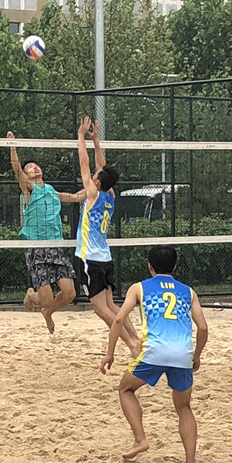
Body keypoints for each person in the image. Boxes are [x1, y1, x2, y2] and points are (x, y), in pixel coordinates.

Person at [100, 245, 208, 463]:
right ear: (175, 266)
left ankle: (140, 439)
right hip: (182, 353)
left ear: (150, 266)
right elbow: (203, 328)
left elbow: (118, 319)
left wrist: (110, 353)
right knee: (184, 408)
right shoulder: (188, 292)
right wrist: (196, 355)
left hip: (154, 352)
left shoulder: (139, 288)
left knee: (125, 389)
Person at [7, 130, 85, 333]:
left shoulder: (51, 191)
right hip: (37, 247)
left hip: (56, 246)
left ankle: (47, 313)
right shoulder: (29, 189)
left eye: (35, 165)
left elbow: (76, 197)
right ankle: (31, 295)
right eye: (30, 167)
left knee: (70, 293)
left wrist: (97, 185)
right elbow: (17, 170)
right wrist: (13, 147)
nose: (34, 167)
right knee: (46, 299)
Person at [76, 116, 141, 356]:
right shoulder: (111, 195)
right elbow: (102, 167)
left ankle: (132, 344)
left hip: (90, 258)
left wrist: (81, 136)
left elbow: (85, 165)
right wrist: (96, 141)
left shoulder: (93, 194)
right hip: (105, 257)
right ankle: (137, 339)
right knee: (112, 305)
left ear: (97, 181)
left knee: (101, 309)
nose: (93, 175)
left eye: (96, 176)